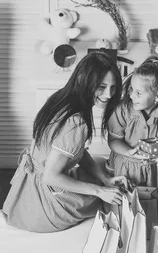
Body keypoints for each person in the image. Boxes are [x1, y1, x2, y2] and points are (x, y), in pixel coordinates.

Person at [3, 51, 128, 233]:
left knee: (101, 170)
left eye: (113, 87)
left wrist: (104, 179)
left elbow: (76, 150)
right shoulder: (77, 123)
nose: (108, 95)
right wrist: (100, 190)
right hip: (45, 204)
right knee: (104, 195)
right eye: (101, 87)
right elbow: (51, 176)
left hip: (29, 189)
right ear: (85, 81)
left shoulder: (61, 99)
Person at [106, 58, 158, 217]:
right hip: (126, 167)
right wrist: (129, 152)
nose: (132, 95)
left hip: (157, 171)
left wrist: (155, 152)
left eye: (139, 93)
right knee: (126, 210)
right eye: (131, 90)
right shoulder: (123, 109)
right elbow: (114, 141)